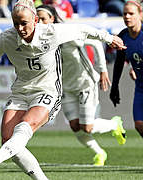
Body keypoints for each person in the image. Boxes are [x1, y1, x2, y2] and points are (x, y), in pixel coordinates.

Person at [0, 0, 125, 179]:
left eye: (24, 23)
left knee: (26, 126)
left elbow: (83, 30)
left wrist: (109, 38)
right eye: (16, 23)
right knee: (8, 140)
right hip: (21, 92)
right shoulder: (7, 38)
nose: (20, 28)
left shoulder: (51, 32)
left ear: (35, 20)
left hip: (48, 91)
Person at [36, 4, 127, 167]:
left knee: (87, 127)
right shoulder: (38, 41)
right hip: (65, 87)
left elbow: (96, 43)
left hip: (85, 83)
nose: (40, 23)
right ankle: (99, 153)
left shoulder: (67, 33)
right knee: (75, 126)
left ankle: (115, 124)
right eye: (38, 20)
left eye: (43, 19)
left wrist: (103, 70)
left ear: (52, 19)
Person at [110, 0, 143, 138]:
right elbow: (119, 63)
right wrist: (115, 86)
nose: (127, 17)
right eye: (125, 14)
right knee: (139, 125)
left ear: (140, 14)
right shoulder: (123, 36)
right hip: (140, 87)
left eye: (131, 13)